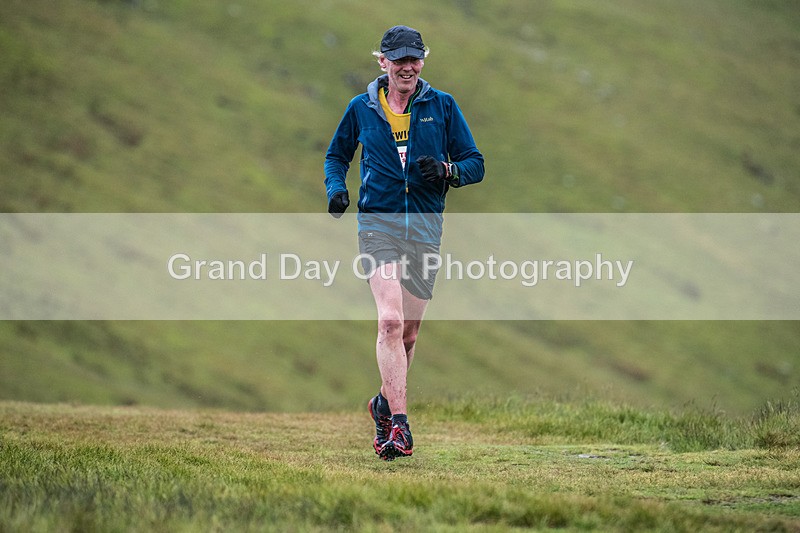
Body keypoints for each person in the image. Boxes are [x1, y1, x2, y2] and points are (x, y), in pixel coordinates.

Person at [324, 25, 484, 460]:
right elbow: (336, 156)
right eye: (399, 60)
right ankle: (399, 425)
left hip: (426, 231)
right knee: (390, 322)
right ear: (383, 63)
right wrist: (335, 189)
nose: (407, 67)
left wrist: (449, 171)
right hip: (378, 227)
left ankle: (382, 402)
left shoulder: (442, 106)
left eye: (414, 58)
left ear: (423, 61)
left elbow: (476, 163)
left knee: (409, 336)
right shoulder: (361, 109)